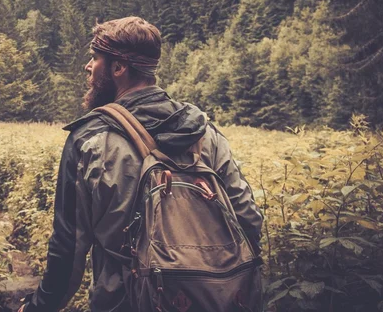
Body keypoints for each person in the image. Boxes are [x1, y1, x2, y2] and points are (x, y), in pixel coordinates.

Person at [19, 16, 263, 312]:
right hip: (218, 300)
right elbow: (248, 218)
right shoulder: (205, 134)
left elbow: (69, 249)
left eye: (95, 58)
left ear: (118, 68)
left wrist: (38, 307)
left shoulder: (91, 139)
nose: (88, 66)